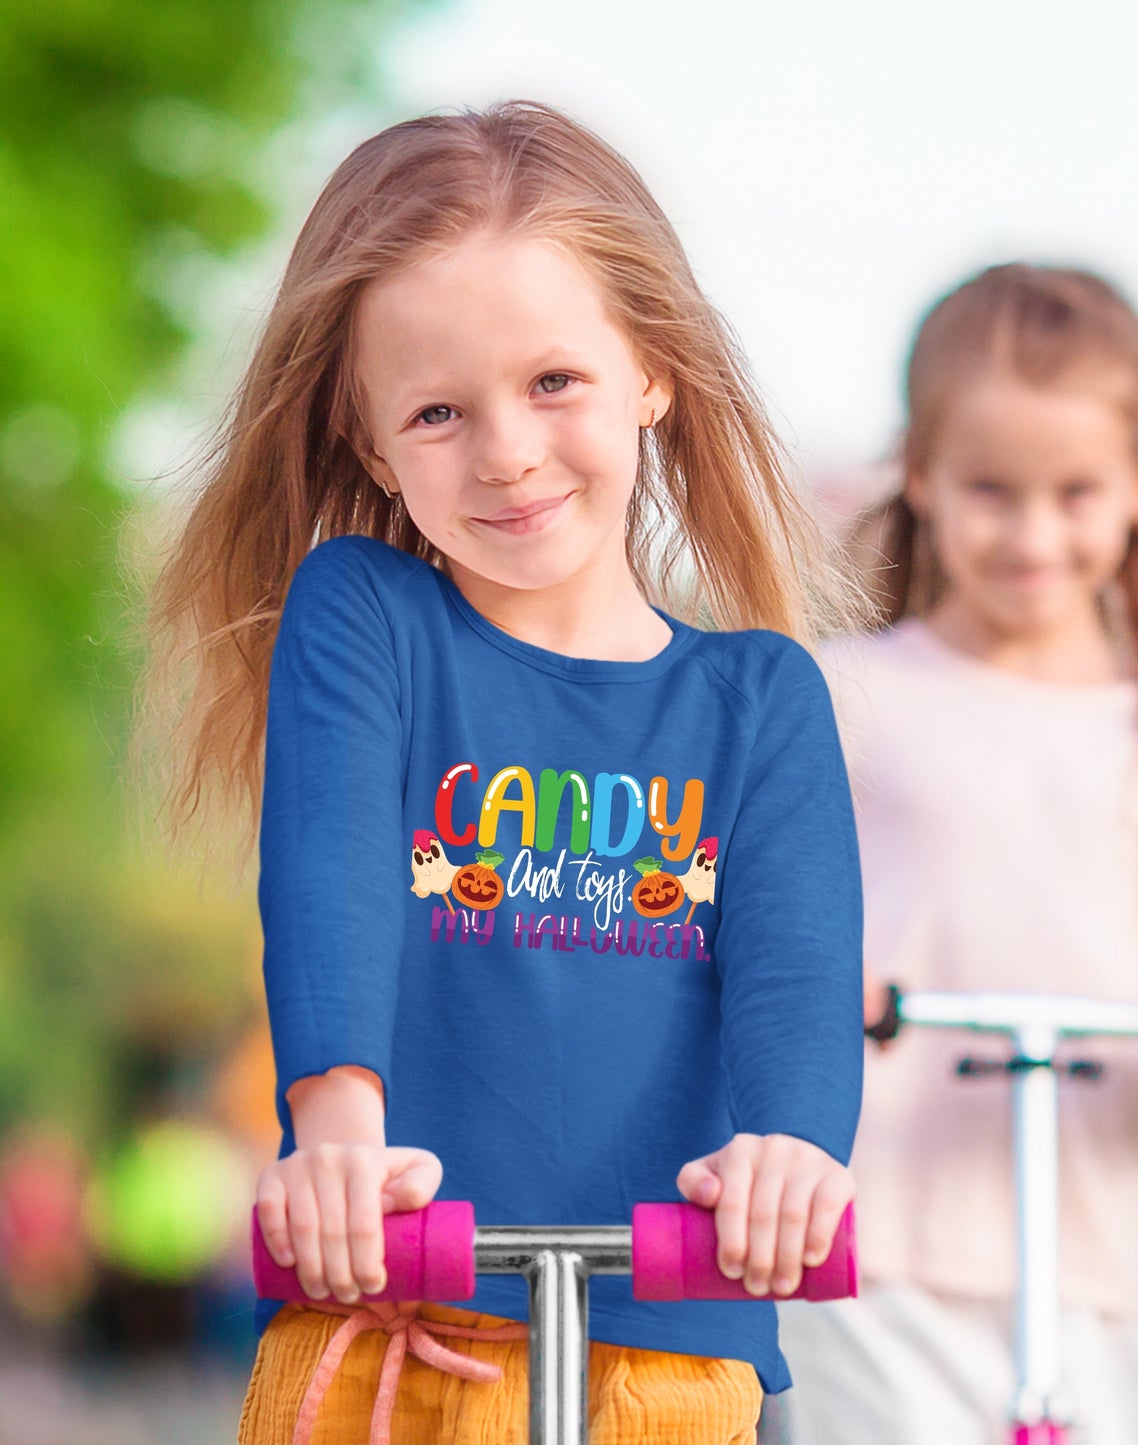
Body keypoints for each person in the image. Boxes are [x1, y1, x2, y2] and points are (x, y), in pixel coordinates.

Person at [141, 102, 866, 1445]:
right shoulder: (367, 617)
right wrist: (336, 1133)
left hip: (666, 1353)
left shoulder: (758, 699)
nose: (508, 452)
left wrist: (794, 1151)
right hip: (401, 1331)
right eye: (436, 410)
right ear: (367, 443)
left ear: (651, 368)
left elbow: (797, 977)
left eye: (553, 383)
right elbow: (332, 870)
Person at [768, 263, 1138, 1445]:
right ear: (919, 471)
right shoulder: (840, 698)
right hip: (868, 1247)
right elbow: (763, 934)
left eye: (1074, 493)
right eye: (991, 491)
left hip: (1092, 1265)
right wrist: (805, 991)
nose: (1032, 533)